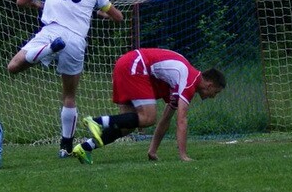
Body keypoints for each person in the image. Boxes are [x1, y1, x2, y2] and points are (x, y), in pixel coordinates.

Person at [7, 0, 123, 157]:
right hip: (76, 41)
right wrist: (102, 14)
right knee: (69, 96)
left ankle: (48, 49)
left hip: (51, 31)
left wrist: (37, 4)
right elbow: (118, 17)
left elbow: (21, 1)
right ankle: (65, 147)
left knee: (13, 67)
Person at [71, 48, 226, 165]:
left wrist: (152, 151)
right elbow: (182, 121)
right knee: (148, 117)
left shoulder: (181, 81)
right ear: (210, 85)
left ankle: (85, 148)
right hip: (135, 65)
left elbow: (166, 119)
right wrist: (183, 156)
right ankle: (97, 122)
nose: (214, 96)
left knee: (127, 127)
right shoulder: (189, 81)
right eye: (216, 92)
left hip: (127, 64)